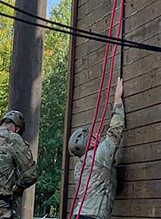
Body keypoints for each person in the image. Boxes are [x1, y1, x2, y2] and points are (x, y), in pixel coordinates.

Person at [68, 78, 125, 219]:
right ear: (90, 142)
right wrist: (117, 99)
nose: (96, 135)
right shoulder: (98, 156)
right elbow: (115, 132)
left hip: (79, 214)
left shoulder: (79, 166)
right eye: (92, 136)